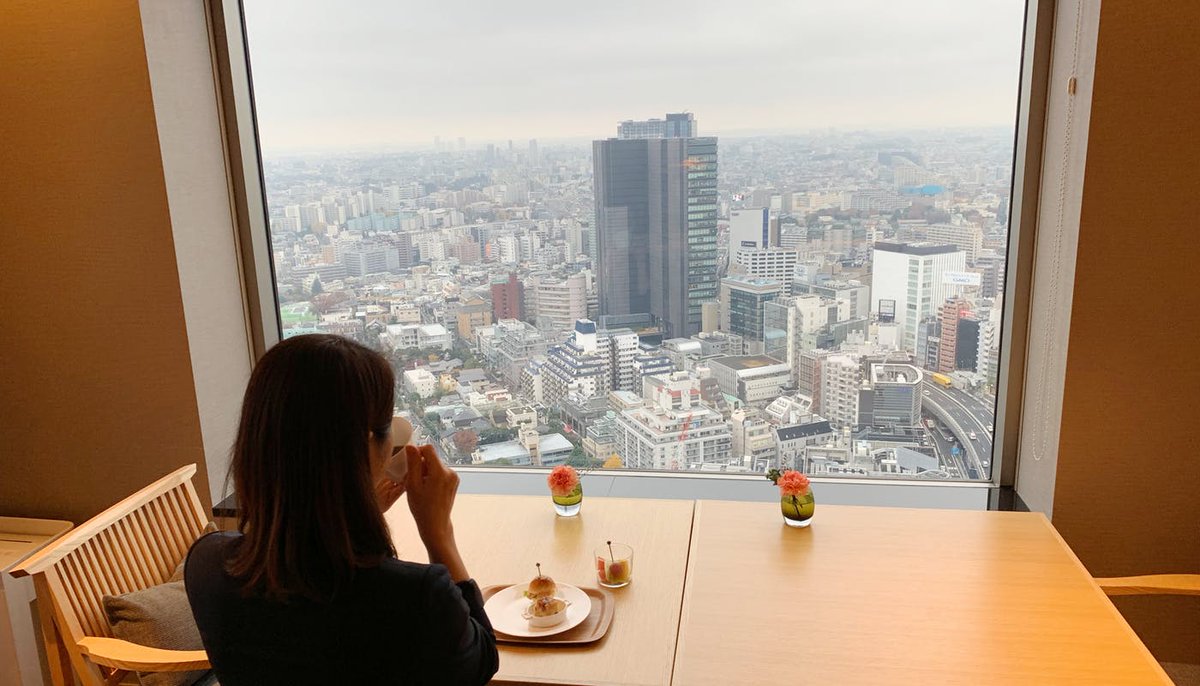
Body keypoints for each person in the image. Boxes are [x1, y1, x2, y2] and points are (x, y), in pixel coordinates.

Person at [185, 334, 498, 685]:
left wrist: (348, 517)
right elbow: (479, 660)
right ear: (366, 451)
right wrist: (439, 534)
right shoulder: (415, 597)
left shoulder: (206, 566)